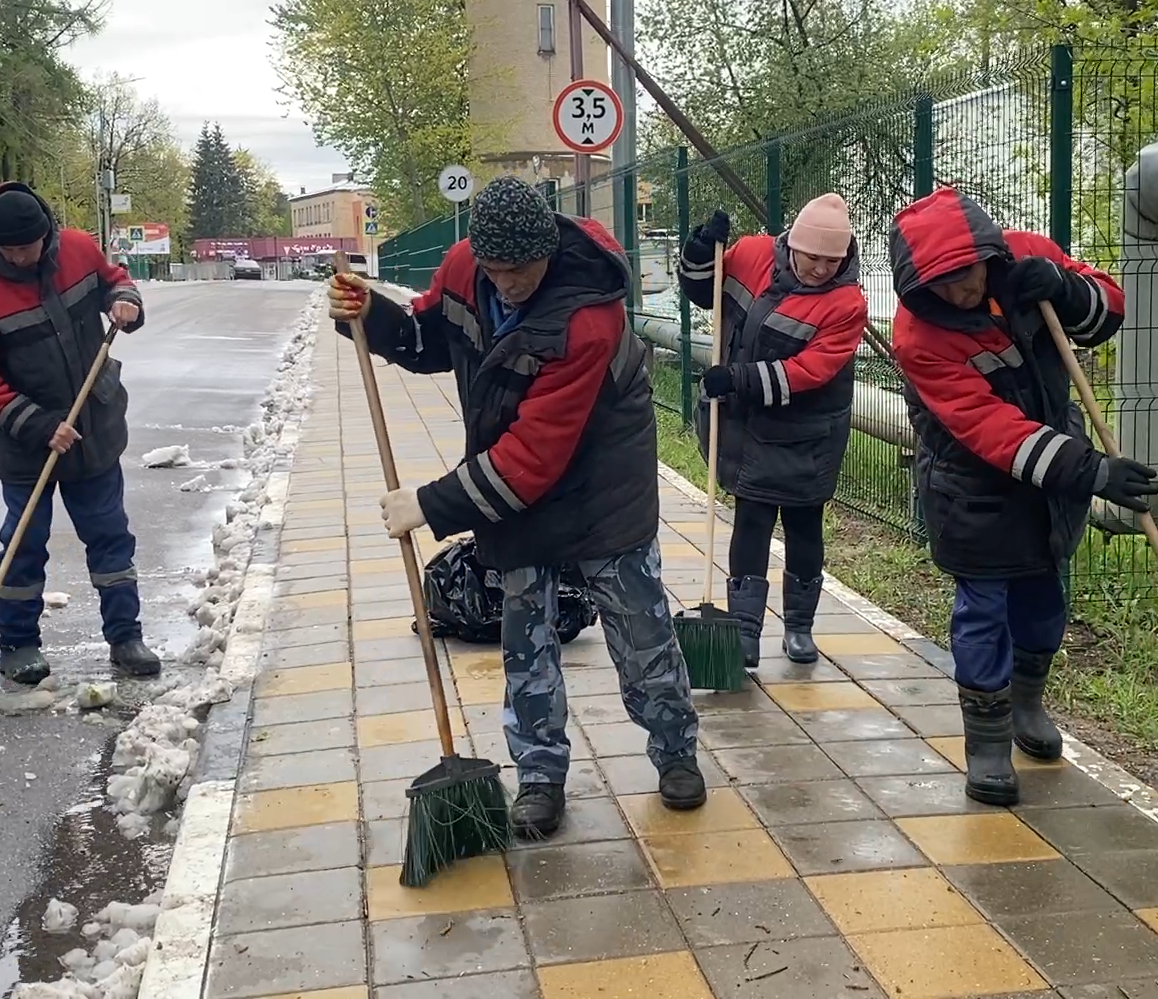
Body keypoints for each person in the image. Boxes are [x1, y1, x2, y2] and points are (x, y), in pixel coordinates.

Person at [327, 175, 705, 838]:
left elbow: (534, 460)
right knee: (525, 637)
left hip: (600, 489)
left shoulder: (587, 316)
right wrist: (369, 313)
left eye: (520, 270)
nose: (505, 283)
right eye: (495, 269)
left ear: (548, 251)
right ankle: (538, 776)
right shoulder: (467, 268)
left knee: (640, 635)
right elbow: (428, 341)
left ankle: (674, 751)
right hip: (515, 483)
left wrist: (431, 503)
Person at [888, 187, 1156, 806]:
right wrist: (1089, 471)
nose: (960, 291)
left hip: (1050, 483)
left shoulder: (1027, 254)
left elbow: (1111, 309)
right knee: (984, 610)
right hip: (972, 487)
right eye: (945, 284)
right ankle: (985, 740)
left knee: (1044, 599)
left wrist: (1063, 287)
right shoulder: (920, 336)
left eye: (969, 274)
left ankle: (1028, 702)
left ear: (987, 252)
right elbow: (989, 429)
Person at [0, 182, 160, 686]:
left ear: (47, 233)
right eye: (14, 249)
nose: (25, 256)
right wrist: (42, 426)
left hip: (95, 425)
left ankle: (126, 637)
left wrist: (125, 301)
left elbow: (117, 280)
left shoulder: (76, 249)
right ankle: (18, 645)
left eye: (33, 245)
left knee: (110, 535)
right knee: (24, 543)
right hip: (27, 443)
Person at [677, 196, 868, 668]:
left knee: (804, 523)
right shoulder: (752, 255)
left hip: (809, 431)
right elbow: (704, 291)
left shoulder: (847, 304)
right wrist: (702, 248)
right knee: (752, 518)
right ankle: (744, 633)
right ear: (793, 245)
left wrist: (738, 379)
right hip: (750, 426)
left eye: (833, 260)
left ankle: (799, 627)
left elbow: (810, 371)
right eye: (813, 257)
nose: (822, 268)